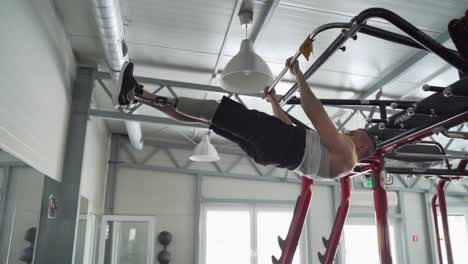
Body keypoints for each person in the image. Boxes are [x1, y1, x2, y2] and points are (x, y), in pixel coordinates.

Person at [114, 58, 376, 179]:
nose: (350, 133)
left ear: (363, 147)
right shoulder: (335, 165)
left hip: (281, 142)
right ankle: (137, 94)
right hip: (272, 153)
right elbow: (291, 129)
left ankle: (135, 94)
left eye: (355, 133)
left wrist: (299, 76)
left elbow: (315, 114)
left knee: (214, 111)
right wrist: (274, 102)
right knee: (209, 119)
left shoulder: (349, 155)